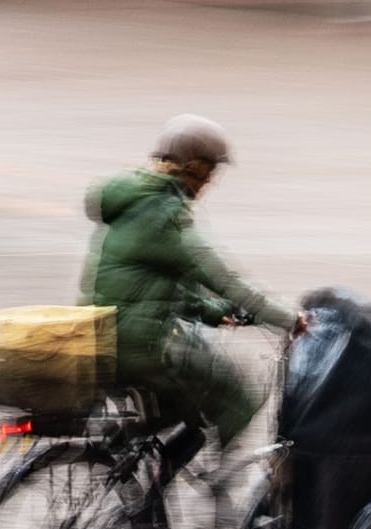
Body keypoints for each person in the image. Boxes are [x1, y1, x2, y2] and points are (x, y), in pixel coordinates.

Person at [79, 114, 303, 476]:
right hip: (140, 347)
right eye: (210, 172)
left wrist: (215, 313)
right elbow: (223, 277)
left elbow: (154, 286)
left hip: (107, 334)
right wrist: (289, 319)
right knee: (237, 396)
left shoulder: (135, 200)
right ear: (194, 167)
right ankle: (221, 490)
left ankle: (139, 495)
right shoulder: (163, 216)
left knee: (180, 411)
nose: (211, 182)